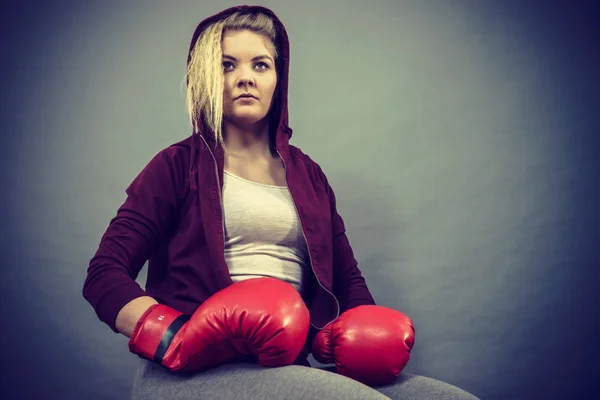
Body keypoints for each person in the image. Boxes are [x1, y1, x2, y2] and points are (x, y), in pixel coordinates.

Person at [82, 5, 480, 400]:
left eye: (260, 65)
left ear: (278, 78)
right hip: (192, 372)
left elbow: (348, 282)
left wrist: (359, 339)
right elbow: (104, 274)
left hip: (286, 369)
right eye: (226, 65)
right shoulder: (176, 165)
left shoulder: (308, 175)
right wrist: (173, 335)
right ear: (205, 76)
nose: (245, 79)